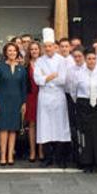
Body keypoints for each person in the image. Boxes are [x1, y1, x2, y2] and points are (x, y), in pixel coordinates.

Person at [35, 28, 71, 168]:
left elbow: (62, 80)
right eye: (46, 46)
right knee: (45, 127)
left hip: (58, 96)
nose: (48, 48)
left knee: (60, 127)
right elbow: (38, 80)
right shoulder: (39, 61)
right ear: (43, 47)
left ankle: (60, 158)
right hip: (44, 97)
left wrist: (46, 77)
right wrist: (52, 76)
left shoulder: (62, 60)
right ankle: (47, 158)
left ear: (54, 47)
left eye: (50, 46)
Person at [69, 48, 97, 173]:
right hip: (83, 104)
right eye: (89, 58)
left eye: (93, 58)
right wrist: (81, 102)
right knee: (85, 134)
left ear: (96, 60)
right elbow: (73, 91)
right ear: (85, 60)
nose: (91, 61)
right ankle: (85, 161)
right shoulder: (78, 74)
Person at [0, 42, 28, 166]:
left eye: (14, 50)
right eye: (9, 51)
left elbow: (24, 87)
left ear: (17, 52)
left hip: (17, 102)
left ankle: (10, 155)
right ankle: (2, 156)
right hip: (3, 101)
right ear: (6, 53)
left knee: (13, 129)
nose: (12, 53)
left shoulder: (22, 68)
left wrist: (24, 103)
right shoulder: (0, 67)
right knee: (3, 129)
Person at [24, 41, 42, 162]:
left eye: (36, 49)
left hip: (43, 96)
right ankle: (32, 151)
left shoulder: (45, 63)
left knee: (42, 124)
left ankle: (41, 151)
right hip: (31, 97)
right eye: (32, 49)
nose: (34, 51)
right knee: (32, 124)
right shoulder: (26, 65)